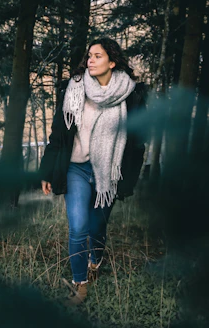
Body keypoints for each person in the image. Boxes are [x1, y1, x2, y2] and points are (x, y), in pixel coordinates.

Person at [39, 37, 146, 305]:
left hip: (108, 172)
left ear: (112, 61)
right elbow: (58, 135)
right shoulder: (75, 89)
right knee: (78, 227)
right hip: (76, 168)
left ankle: (95, 260)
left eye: (98, 56)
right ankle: (80, 285)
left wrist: (129, 179)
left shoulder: (130, 94)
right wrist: (46, 171)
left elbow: (137, 142)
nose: (91, 60)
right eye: (89, 56)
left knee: (97, 226)